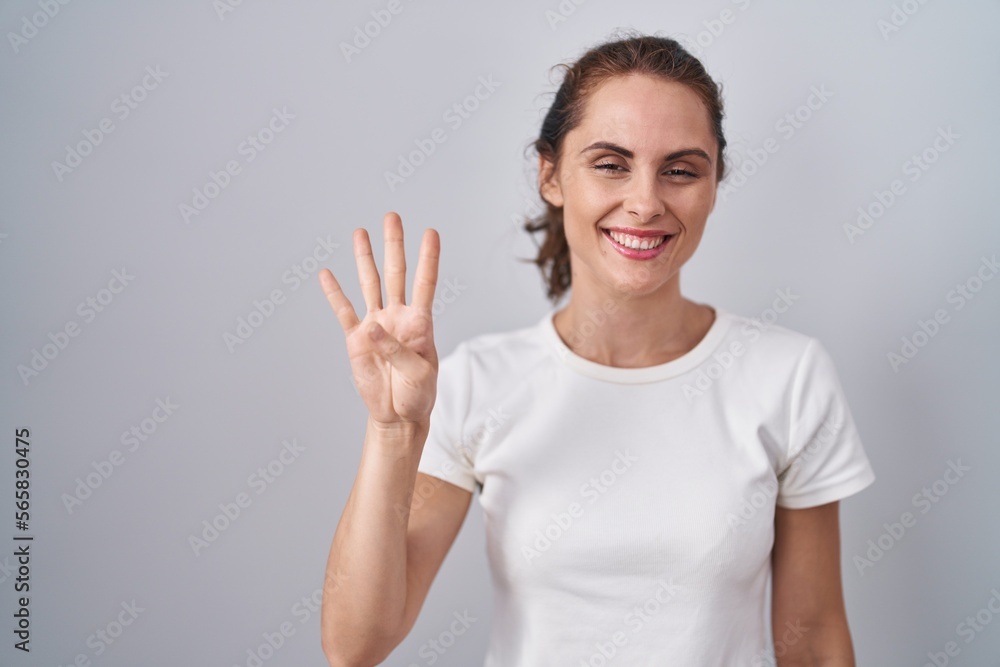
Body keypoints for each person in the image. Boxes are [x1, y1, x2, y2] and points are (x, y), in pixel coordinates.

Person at [317, 32, 876, 666]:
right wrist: (393, 431)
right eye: (611, 164)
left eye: (681, 170)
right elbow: (356, 645)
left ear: (714, 183)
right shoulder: (475, 382)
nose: (645, 203)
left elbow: (815, 641)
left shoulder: (788, 377)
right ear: (550, 175)